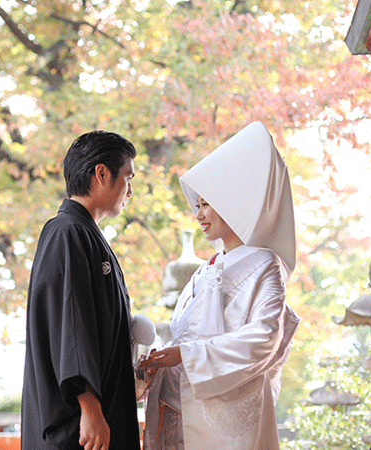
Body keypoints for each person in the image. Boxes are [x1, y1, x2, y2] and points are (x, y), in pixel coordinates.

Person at [138, 121, 301, 450]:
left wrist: (186, 354)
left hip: (223, 423)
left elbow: (264, 338)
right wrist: (156, 363)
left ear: (236, 202)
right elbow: (182, 337)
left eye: (207, 204)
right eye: (196, 205)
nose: (198, 215)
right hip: (176, 409)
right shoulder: (204, 270)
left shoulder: (263, 263)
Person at [21, 130, 142, 450]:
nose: (130, 191)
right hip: (76, 425)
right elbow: (70, 323)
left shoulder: (84, 234)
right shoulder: (67, 232)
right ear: (101, 173)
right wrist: (88, 405)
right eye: (128, 178)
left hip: (95, 417)